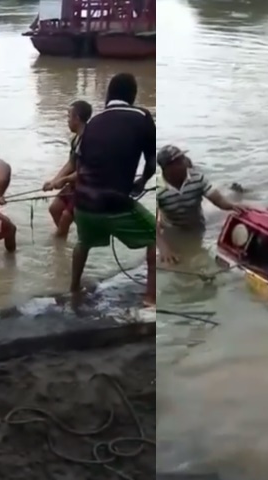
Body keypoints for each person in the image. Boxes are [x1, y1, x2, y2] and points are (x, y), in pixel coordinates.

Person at [70, 73, 160, 306]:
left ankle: (73, 290)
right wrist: (141, 183)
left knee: (83, 243)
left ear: (108, 95)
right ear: (133, 95)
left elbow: (82, 166)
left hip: (82, 206)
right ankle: (150, 298)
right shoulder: (142, 116)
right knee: (157, 237)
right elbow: (151, 162)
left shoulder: (91, 125)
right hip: (115, 203)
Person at [155, 144, 245, 240]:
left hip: (197, 226)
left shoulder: (198, 178)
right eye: (179, 161)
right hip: (172, 229)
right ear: (167, 168)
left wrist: (235, 206)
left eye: (183, 159)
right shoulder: (157, 187)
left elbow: (219, 201)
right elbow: (153, 223)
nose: (185, 163)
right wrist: (162, 247)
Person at [43, 99, 93, 238]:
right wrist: (54, 181)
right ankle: (65, 241)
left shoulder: (90, 140)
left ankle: (62, 244)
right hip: (74, 185)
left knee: (65, 216)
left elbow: (86, 170)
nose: (67, 120)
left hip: (85, 187)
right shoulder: (75, 139)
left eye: (68, 116)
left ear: (77, 118)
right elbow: (71, 164)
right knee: (54, 209)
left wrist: (64, 180)